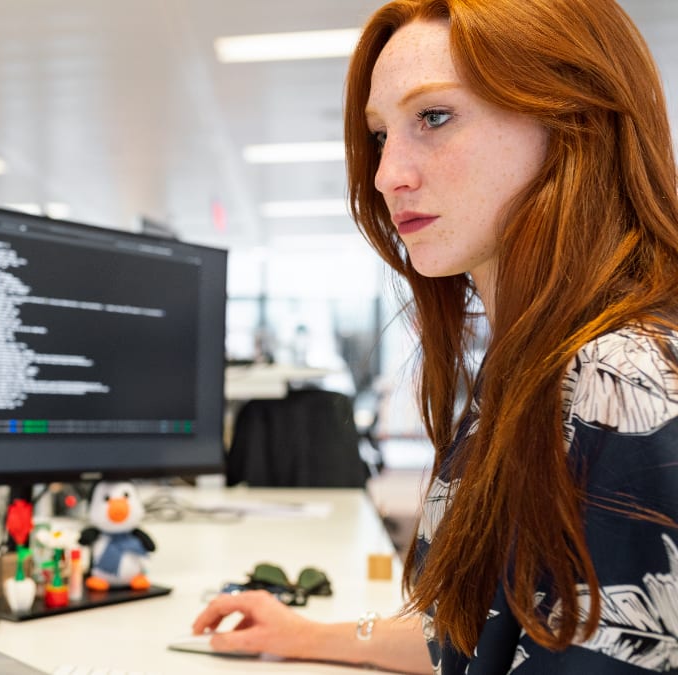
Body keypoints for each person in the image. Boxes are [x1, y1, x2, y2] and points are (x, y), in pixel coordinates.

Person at [192, 0, 678, 672]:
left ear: (575, 118)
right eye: (381, 134)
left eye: (435, 117)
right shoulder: (535, 363)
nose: (387, 173)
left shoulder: (619, 379)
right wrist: (305, 633)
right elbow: (481, 634)